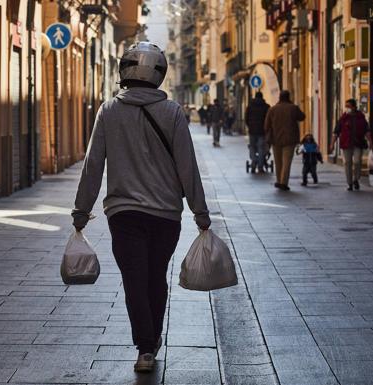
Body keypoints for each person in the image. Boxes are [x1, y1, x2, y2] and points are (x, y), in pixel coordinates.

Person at [72, 42, 211, 373]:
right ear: (159, 75)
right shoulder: (174, 112)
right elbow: (187, 166)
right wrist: (200, 212)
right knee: (155, 277)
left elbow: (93, 165)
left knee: (135, 279)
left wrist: (81, 211)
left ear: (124, 70)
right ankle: (152, 338)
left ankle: (145, 348)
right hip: (166, 215)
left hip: (123, 215)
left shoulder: (108, 111)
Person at [264, 90, 306, 191]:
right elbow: (302, 117)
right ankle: (283, 182)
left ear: (279, 97)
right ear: (288, 97)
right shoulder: (293, 108)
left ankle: (279, 181)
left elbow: (266, 125)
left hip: (276, 139)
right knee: (287, 162)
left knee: (278, 162)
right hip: (289, 139)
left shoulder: (272, 109)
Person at [329, 98, 373, 191]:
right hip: (346, 144)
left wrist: (370, 141)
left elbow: (367, 130)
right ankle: (349, 183)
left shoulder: (361, 117)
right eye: (346, 106)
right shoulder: (343, 118)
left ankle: (356, 179)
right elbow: (336, 132)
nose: (346, 108)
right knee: (347, 163)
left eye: (348, 106)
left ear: (354, 107)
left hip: (358, 143)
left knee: (357, 161)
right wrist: (332, 144)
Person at [245, 92, 270, 173]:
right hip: (262, 131)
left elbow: (246, 118)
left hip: (252, 131)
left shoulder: (250, 106)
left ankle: (254, 160)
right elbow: (268, 119)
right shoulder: (266, 107)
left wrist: (250, 126)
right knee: (261, 148)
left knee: (252, 146)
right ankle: (260, 166)